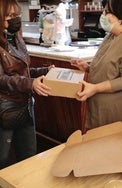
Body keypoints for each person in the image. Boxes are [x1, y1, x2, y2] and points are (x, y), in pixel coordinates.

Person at [70, 0, 122, 130]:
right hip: (102, 113)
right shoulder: (111, 36)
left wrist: (95, 88)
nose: (103, 15)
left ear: (120, 18)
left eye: (107, 12)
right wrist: (87, 67)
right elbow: (110, 66)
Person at [0, 0, 53, 169]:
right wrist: (30, 84)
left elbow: (23, 71)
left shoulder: (16, 38)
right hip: (5, 106)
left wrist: (44, 71)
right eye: (10, 16)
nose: (16, 19)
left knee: (29, 156)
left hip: (25, 104)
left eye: (17, 15)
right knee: (3, 159)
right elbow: (2, 79)